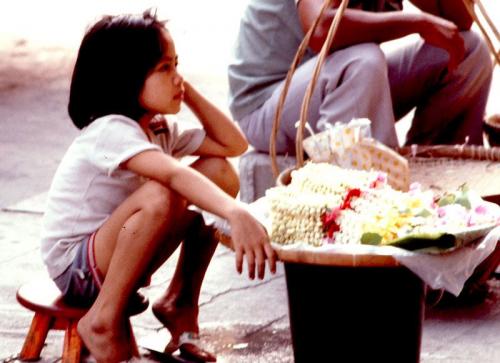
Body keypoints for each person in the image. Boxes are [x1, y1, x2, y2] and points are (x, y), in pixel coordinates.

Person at [40, 9, 277, 363]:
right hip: (75, 266)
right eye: (164, 69)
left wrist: (184, 90)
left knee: (218, 172)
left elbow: (233, 146)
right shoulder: (110, 129)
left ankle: (179, 302)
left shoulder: (157, 127)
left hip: (116, 255)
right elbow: (174, 176)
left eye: (176, 65)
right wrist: (236, 212)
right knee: (162, 192)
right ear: (127, 77)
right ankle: (103, 320)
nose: (177, 78)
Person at [228, 0, 493, 154]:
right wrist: (416, 22)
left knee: (469, 49)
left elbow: (460, 22)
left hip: (339, 80)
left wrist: (427, 16)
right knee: (364, 58)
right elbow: (321, 29)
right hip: (268, 108)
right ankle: (369, 189)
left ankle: (440, 174)